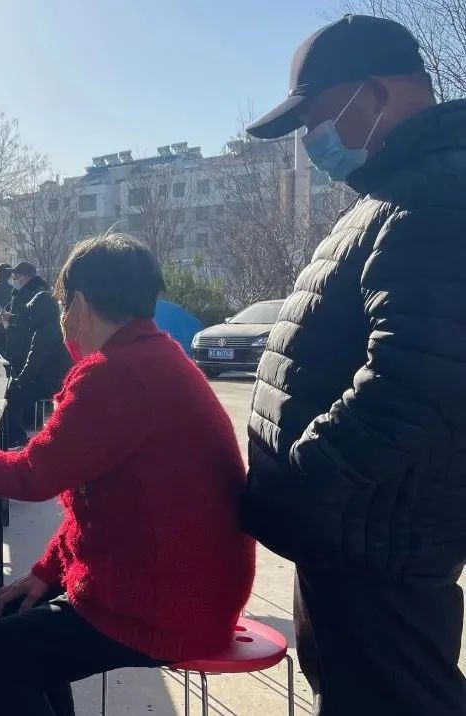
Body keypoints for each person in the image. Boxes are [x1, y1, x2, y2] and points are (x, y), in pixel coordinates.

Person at [0, 234, 256, 716]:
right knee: (18, 616)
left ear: (79, 304)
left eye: (65, 305)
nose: (64, 318)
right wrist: (47, 572)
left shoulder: (118, 373)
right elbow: (97, 495)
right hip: (185, 586)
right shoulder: (154, 357)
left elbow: (32, 475)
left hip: (166, 602)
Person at [243, 15, 466, 716]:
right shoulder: (396, 191)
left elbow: (419, 378)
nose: (312, 139)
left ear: (372, 95)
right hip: (353, 537)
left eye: (315, 117)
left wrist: (306, 478)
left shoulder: (436, 196)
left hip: (379, 543)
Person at [0, 261, 72, 448]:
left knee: (13, 394)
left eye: (32, 312)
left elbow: (34, 362)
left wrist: (18, 381)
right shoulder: (52, 326)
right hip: (55, 378)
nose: (29, 316)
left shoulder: (45, 332)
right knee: (18, 390)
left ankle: (15, 437)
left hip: (51, 382)